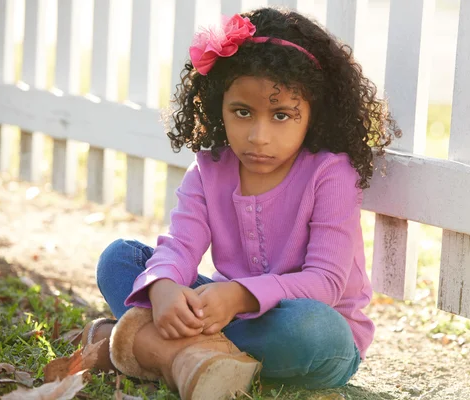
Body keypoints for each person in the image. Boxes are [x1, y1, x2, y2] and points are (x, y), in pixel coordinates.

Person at [83, 7, 399, 400]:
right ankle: (193, 359)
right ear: (220, 107)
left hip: (310, 330)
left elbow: (327, 283)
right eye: (242, 112)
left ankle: (147, 346)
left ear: (314, 115)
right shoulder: (209, 168)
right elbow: (180, 247)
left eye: (282, 115)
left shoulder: (330, 173)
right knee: (120, 258)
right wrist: (163, 288)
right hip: (220, 311)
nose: (258, 136)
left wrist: (239, 296)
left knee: (313, 328)